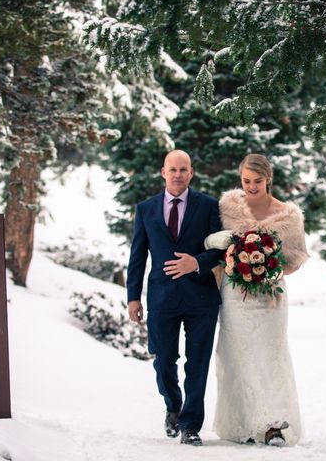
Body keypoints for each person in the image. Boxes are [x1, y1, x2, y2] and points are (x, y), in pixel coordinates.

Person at [206, 154, 309, 446]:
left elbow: (296, 259)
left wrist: (268, 272)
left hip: (270, 299)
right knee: (238, 355)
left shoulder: (289, 217)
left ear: (269, 179)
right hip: (235, 297)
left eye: (258, 181)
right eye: (246, 181)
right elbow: (215, 247)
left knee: (271, 356)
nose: (251, 187)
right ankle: (244, 423)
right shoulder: (227, 208)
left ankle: (274, 425)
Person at [127, 150, 224, 447]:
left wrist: (195, 263)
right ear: (163, 172)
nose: (178, 174)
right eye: (173, 169)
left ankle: (190, 425)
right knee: (164, 359)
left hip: (201, 297)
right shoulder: (146, 209)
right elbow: (137, 256)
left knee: (198, 364)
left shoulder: (209, 206)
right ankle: (173, 406)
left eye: (183, 169)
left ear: (191, 172)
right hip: (161, 297)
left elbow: (221, 249)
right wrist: (133, 297)